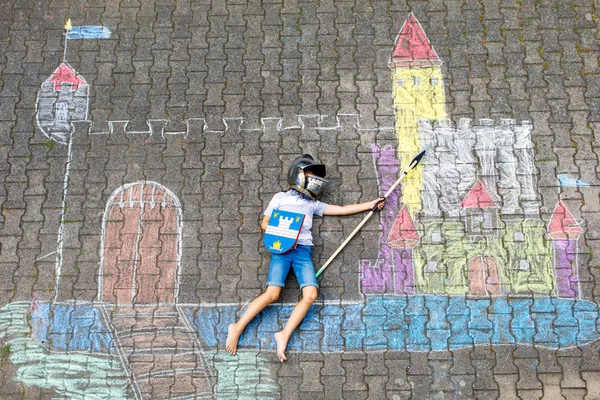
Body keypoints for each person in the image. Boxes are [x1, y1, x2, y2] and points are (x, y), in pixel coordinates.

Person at [226, 154, 385, 362]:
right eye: (310, 174)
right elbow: (265, 224)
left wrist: (369, 205)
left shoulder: (312, 204)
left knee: (310, 294)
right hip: (281, 249)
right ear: (298, 175)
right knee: (272, 294)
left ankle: (283, 334)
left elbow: (342, 210)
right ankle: (237, 327)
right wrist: (284, 229)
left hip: (302, 251)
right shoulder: (280, 198)